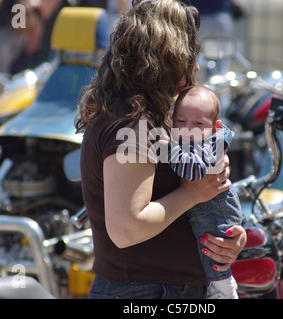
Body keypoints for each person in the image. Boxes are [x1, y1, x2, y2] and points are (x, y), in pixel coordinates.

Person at [75, 0, 246, 299]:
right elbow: (128, 228)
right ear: (168, 57)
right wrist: (194, 192)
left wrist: (226, 234)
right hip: (145, 292)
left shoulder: (148, 117)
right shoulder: (132, 125)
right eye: (190, 55)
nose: (195, 67)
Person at [165, 85, 242, 299]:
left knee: (214, 251)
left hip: (218, 211)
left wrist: (161, 148)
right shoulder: (192, 139)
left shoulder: (206, 146)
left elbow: (194, 171)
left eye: (198, 123)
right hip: (207, 209)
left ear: (214, 128)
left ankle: (225, 290)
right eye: (181, 121)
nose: (188, 128)